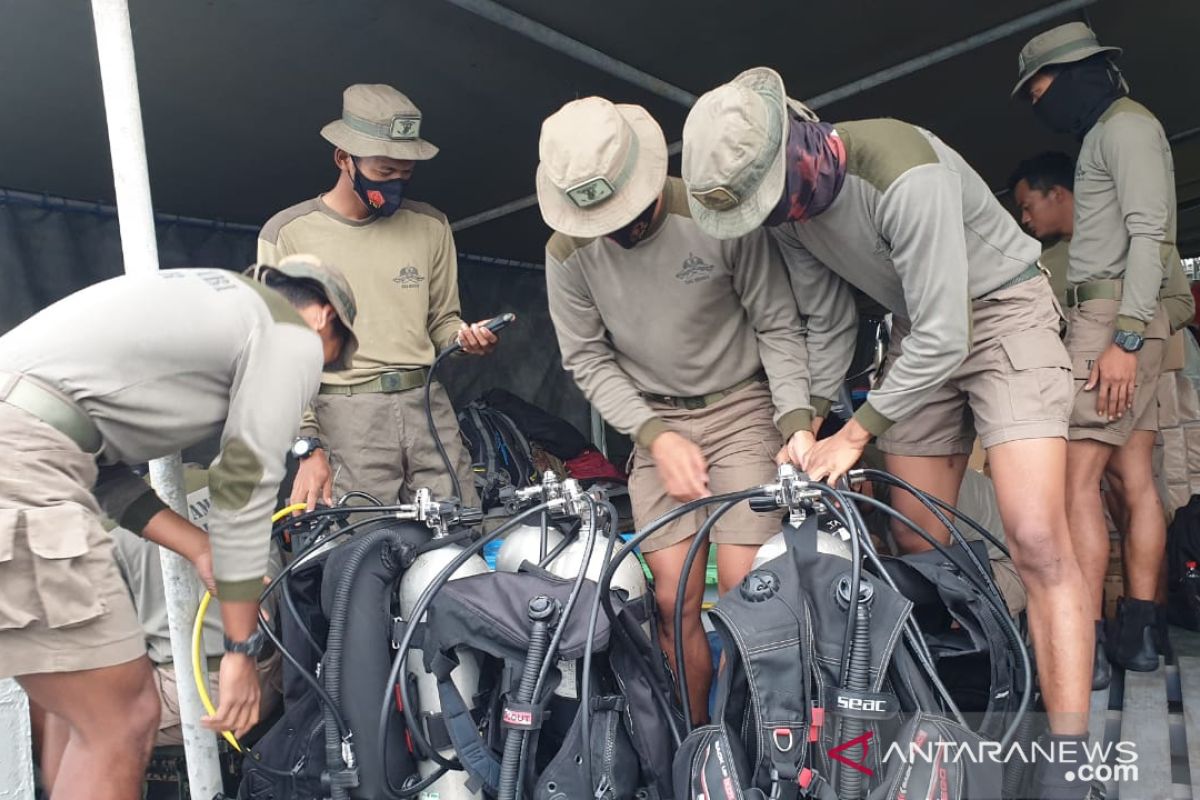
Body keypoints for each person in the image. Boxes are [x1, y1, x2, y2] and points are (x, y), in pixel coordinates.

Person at [681, 67, 1093, 799]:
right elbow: (834, 321)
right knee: (919, 542)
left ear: (801, 140)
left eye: (775, 199)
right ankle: (982, 693)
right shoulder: (788, 216)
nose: (777, 216)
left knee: (1036, 537)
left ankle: (1068, 760)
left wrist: (856, 435)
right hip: (917, 332)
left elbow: (948, 329)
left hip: (1002, 315)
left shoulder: (903, 169)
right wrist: (804, 421)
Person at [0, 255, 355, 800]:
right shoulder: (289, 332)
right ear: (323, 318)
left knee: (82, 717)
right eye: (328, 365)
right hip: (23, 461)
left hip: (28, 445)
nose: (315, 378)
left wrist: (197, 547)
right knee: (126, 716)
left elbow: (99, 469)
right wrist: (241, 649)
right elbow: (244, 482)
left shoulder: (213, 302)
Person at [537, 97, 817, 723]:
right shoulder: (567, 254)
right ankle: (694, 747)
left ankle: (760, 745)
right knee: (672, 601)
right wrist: (655, 435)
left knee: (753, 594)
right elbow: (586, 358)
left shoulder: (714, 214)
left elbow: (776, 323)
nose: (618, 228)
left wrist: (797, 420)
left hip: (742, 408)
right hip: (653, 419)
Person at [1014, 22, 1188, 680]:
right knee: (1134, 478)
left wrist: (1125, 336)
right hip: (1124, 314)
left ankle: (1080, 643)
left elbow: (1150, 236)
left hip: (1113, 315)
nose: (1037, 103)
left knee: (1070, 484)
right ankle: (1138, 638)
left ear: (1073, 73)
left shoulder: (1124, 128)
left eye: (1039, 90)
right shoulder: (1116, 129)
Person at [259, 83, 502, 511]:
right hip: (347, 418)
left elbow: (443, 321)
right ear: (343, 158)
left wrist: (463, 339)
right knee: (367, 551)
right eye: (384, 171)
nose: (395, 183)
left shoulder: (431, 226)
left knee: (461, 532)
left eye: (405, 173)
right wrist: (306, 444)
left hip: (428, 408)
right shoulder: (288, 234)